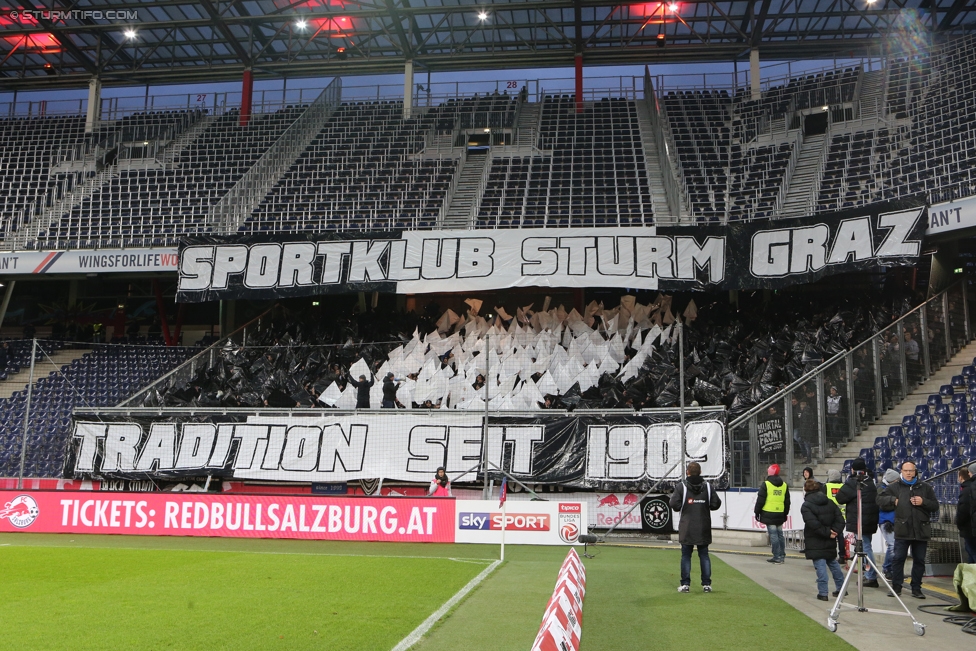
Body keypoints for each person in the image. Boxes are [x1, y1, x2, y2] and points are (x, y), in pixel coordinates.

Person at [876, 461, 939, 599]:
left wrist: (924, 502)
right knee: (898, 559)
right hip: (902, 529)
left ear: (915, 471)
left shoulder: (926, 488)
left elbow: (935, 505)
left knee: (919, 560)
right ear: (902, 472)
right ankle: (896, 587)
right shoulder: (894, 487)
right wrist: (893, 500)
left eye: (911, 470)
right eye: (906, 471)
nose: (909, 473)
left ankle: (916, 588)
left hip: (921, 530)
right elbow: (879, 499)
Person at [669, 461, 722, 593]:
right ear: (700, 472)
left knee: (686, 556)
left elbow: (674, 504)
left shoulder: (682, 487)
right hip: (703, 526)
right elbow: (716, 504)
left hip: (687, 527)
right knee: (704, 555)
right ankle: (707, 585)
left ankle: (685, 584)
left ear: (687, 472)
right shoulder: (708, 487)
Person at [835, 458, 880, 587]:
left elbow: (840, 498)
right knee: (866, 546)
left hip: (859, 520)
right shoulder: (870, 482)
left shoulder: (853, 482)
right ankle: (868, 574)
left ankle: (871, 576)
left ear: (853, 469)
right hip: (870, 519)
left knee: (865, 547)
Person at [801, 479, 847, 601]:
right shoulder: (830, 502)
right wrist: (834, 532)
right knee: (833, 564)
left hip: (815, 539)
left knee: (820, 566)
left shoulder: (806, 505)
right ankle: (842, 589)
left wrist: (827, 533)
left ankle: (823, 593)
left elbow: (813, 524)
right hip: (830, 538)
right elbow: (840, 520)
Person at [755, 463, 790, 564]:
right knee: (780, 535)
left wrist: (757, 511)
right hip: (780, 512)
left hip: (768, 512)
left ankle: (777, 556)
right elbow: (787, 501)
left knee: (773, 535)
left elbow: (760, 500)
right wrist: (785, 513)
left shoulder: (766, 484)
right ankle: (782, 555)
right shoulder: (784, 485)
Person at [878, 468, 899, 580]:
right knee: (892, 545)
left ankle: (891, 569)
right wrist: (895, 502)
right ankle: (887, 568)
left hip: (895, 520)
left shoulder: (896, 489)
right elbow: (883, 505)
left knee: (895, 546)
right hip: (886, 521)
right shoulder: (881, 489)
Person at [958, 465, 976, 563]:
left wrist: (959, 524)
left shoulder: (967, 490)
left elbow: (963, 509)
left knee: (972, 552)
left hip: (969, 528)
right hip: (971, 527)